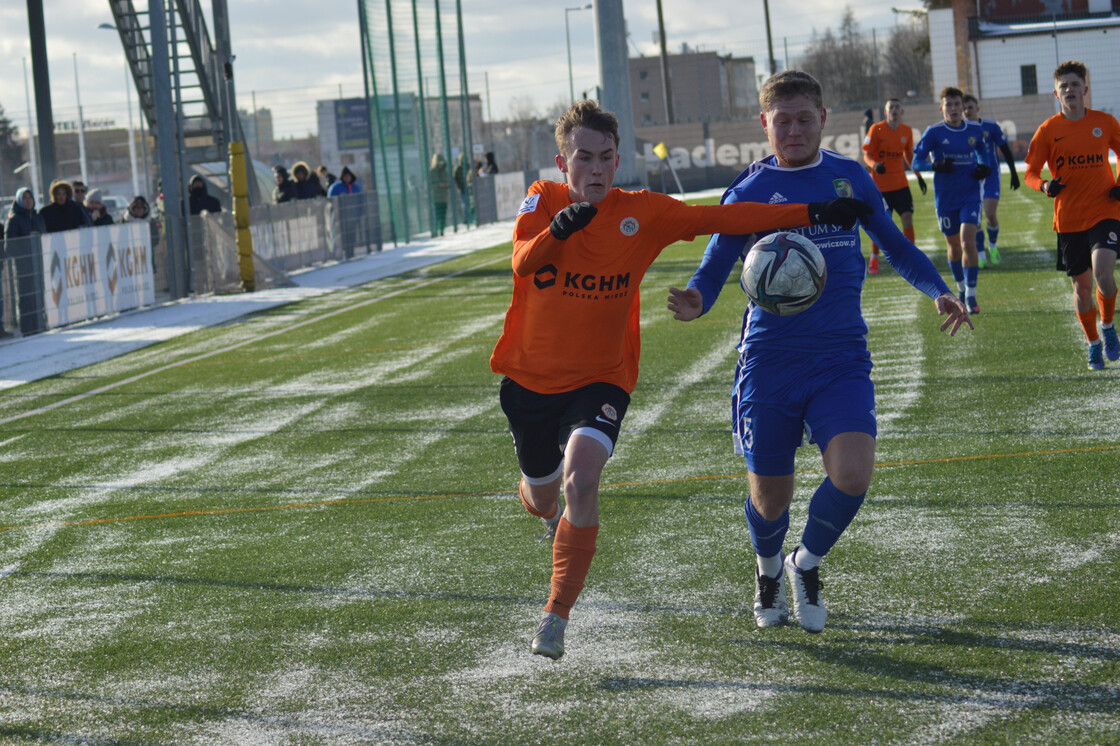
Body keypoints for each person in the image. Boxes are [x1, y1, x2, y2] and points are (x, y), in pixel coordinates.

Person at [491, 98, 875, 660]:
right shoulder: (543, 199)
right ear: (561, 162)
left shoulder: (640, 212)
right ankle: (546, 512)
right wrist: (557, 231)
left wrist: (810, 213)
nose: (595, 169)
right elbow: (523, 260)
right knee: (543, 493)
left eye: (605, 158)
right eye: (583, 159)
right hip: (528, 380)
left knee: (581, 481)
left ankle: (555, 616)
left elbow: (720, 219)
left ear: (617, 160)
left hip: (603, 379)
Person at [669, 71, 971, 635]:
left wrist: (941, 291)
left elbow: (898, 248)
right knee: (771, 501)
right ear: (765, 124)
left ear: (823, 119)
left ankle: (803, 565)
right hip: (770, 363)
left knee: (853, 474)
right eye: (781, 121)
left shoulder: (849, 179)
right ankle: (765, 572)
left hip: (840, 356)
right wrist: (697, 298)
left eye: (804, 118)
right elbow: (713, 266)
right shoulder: (749, 191)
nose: (793, 130)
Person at [1024, 60, 1120, 370]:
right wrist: (1044, 186)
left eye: (1075, 85)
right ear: (1056, 93)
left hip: (1105, 210)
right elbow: (1030, 173)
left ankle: (1107, 326)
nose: (1070, 90)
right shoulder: (1048, 130)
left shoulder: (1105, 122)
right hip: (1068, 219)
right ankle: (1093, 343)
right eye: (1064, 86)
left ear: (1085, 89)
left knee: (1104, 273)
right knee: (1081, 287)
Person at [912, 86, 990, 314]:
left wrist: (984, 167)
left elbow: (983, 153)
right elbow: (916, 162)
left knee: (968, 241)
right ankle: (960, 288)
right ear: (942, 108)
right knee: (954, 247)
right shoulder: (934, 132)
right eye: (949, 105)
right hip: (946, 198)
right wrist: (934, 165)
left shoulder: (975, 129)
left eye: (957, 104)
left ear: (963, 107)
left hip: (970, 195)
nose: (954, 109)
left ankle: (972, 295)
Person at [862, 97, 927, 274]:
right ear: (886, 111)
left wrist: (918, 175)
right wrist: (875, 165)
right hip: (880, 188)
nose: (894, 110)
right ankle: (874, 258)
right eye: (891, 107)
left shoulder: (906, 131)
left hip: (900, 184)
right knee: (880, 225)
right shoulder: (876, 129)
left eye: (898, 107)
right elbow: (866, 154)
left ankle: (911, 258)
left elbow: (909, 156)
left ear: (902, 111)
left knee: (907, 218)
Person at [962, 93, 1020, 267]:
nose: (966, 111)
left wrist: (1014, 173)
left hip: (991, 177)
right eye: (964, 108)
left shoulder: (990, 126)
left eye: (970, 107)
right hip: (971, 180)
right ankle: (981, 254)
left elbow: (1005, 149)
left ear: (977, 109)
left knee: (991, 214)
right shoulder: (960, 129)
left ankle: (993, 247)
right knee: (975, 219)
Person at [4, 187, 47, 335]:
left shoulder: (37, 217)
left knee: (39, 296)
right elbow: (9, 246)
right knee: (26, 298)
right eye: (25, 198)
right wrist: (27, 258)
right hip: (24, 268)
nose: (28, 201)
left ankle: (40, 325)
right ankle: (28, 329)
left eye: (30, 198)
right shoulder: (14, 220)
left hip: (40, 266)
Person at [327, 167, 363, 258]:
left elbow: (360, 201)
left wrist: (360, 213)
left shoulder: (355, 187)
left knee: (352, 235)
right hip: (341, 217)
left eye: (348, 176)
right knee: (342, 236)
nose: (347, 178)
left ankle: (351, 253)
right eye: (345, 176)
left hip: (353, 217)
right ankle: (343, 253)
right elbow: (330, 201)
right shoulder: (336, 188)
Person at [429, 153, 450, 237]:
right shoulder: (432, 172)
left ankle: (442, 230)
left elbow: (448, 181)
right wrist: (439, 185)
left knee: (443, 215)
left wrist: (446, 184)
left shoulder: (445, 172)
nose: (441, 165)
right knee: (436, 215)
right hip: (435, 197)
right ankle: (435, 231)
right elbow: (430, 184)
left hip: (444, 197)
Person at [453, 151, 473, 224]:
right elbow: (455, 178)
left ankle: (471, 218)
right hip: (462, 189)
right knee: (464, 204)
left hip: (469, 188)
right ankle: (466, 219)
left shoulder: (468, 166)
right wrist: (459, 187)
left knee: (470, 203)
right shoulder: (458, 168)